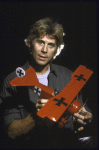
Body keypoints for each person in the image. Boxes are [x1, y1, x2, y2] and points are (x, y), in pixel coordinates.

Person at [0, 17, 93, 148]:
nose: (44, 50)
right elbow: (11, 133)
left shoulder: (67, 75)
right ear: (30, 44)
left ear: (56, 49)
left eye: (51, 45)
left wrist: (85, 118)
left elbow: (81, 109)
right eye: (40, 42)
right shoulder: (11, 81)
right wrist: (37, 116)